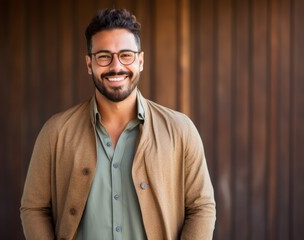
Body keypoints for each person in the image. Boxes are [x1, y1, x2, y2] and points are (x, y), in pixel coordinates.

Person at [20, 8, 216, 240]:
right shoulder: (55, 132)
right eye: (104, 56)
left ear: (140, 61)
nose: (115, 66)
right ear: (89, 63)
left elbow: (201, 207)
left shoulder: (180, 130)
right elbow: (34, 208)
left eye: (126, 55)